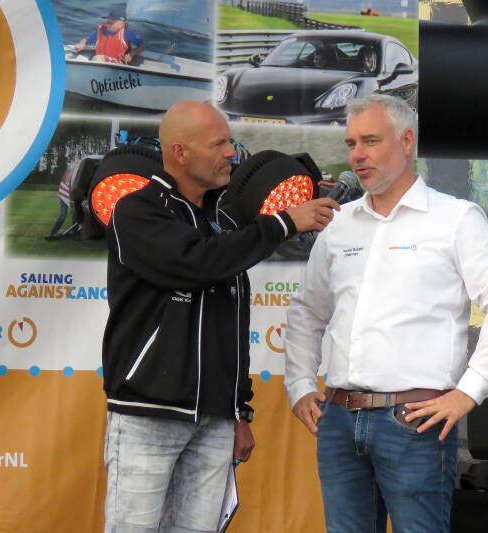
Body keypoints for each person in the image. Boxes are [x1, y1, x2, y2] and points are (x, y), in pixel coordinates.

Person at [284, 94, 488, 533]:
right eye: (351, 144)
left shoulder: (455, 218)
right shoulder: (339, 223)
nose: (357, 154)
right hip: (339, 417)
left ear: (406, 141)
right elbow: (307, 310)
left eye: (370, 141)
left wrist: (468, 392)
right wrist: (300, 384)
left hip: (414, 419)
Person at [101, 100, 339, 533]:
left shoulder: (222, 222)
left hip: (214, 421)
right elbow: (196, 262)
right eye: (218, 144)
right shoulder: (136, 211)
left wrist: (239, 412)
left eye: (230, 141)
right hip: (147, 415)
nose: (231, 152)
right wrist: (283, 223)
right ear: (180, 152)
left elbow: (230, 326)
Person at [74, 8, 146, 65]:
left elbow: (142, 46)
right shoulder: (100, 31)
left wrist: (132, 54)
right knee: (98, 58)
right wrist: (81, 44)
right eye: (107, 22)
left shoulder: (127, 33)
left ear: (121, 25)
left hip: (119, 63)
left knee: (98, 58)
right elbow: (86, 40)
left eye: (111, 23)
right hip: (102, 62)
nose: (108, 25)